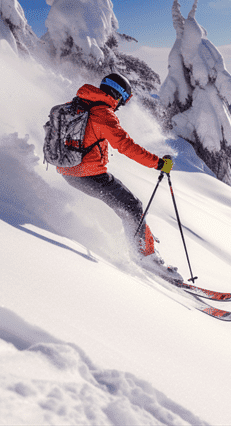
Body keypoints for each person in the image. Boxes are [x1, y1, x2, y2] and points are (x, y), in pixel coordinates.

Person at [58, 73, 182, 281]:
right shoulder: (103, 113)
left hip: (68, 171)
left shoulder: (76, 105)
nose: (120, 106)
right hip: (88, 174)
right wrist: (159, 163)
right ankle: (147, 256)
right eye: (122, 102)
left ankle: (141, 239)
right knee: (132, 206)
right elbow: (126, 146)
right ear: (117, 95)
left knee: (125, 204)